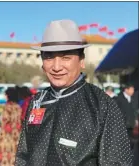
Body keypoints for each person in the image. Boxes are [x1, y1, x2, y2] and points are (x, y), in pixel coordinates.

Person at [15, 19, 133, 166]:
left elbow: (117, 162)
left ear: (81, 61)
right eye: (49, 57)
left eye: (66, 57)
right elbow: (23, 155)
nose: (56, 67)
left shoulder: (102, 105)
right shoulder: (37, 101)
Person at [0, 87, 22, 166]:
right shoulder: (18, 107)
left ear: (8, 96)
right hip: (16, 133)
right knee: (14, 154)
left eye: (5, 95)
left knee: (5, 155)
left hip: (7, 135)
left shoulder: (7, 106)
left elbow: (4, 119)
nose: (5, 96)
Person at [115, 84, 138, 149]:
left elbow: (135, 110)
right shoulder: (118, 99)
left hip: (131, 124)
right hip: (121, 124)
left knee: (130, 141)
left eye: (133, 90)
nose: (133, 91)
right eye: (131, 89)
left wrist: (135, 119)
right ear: (126, 90)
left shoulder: (133, 99)